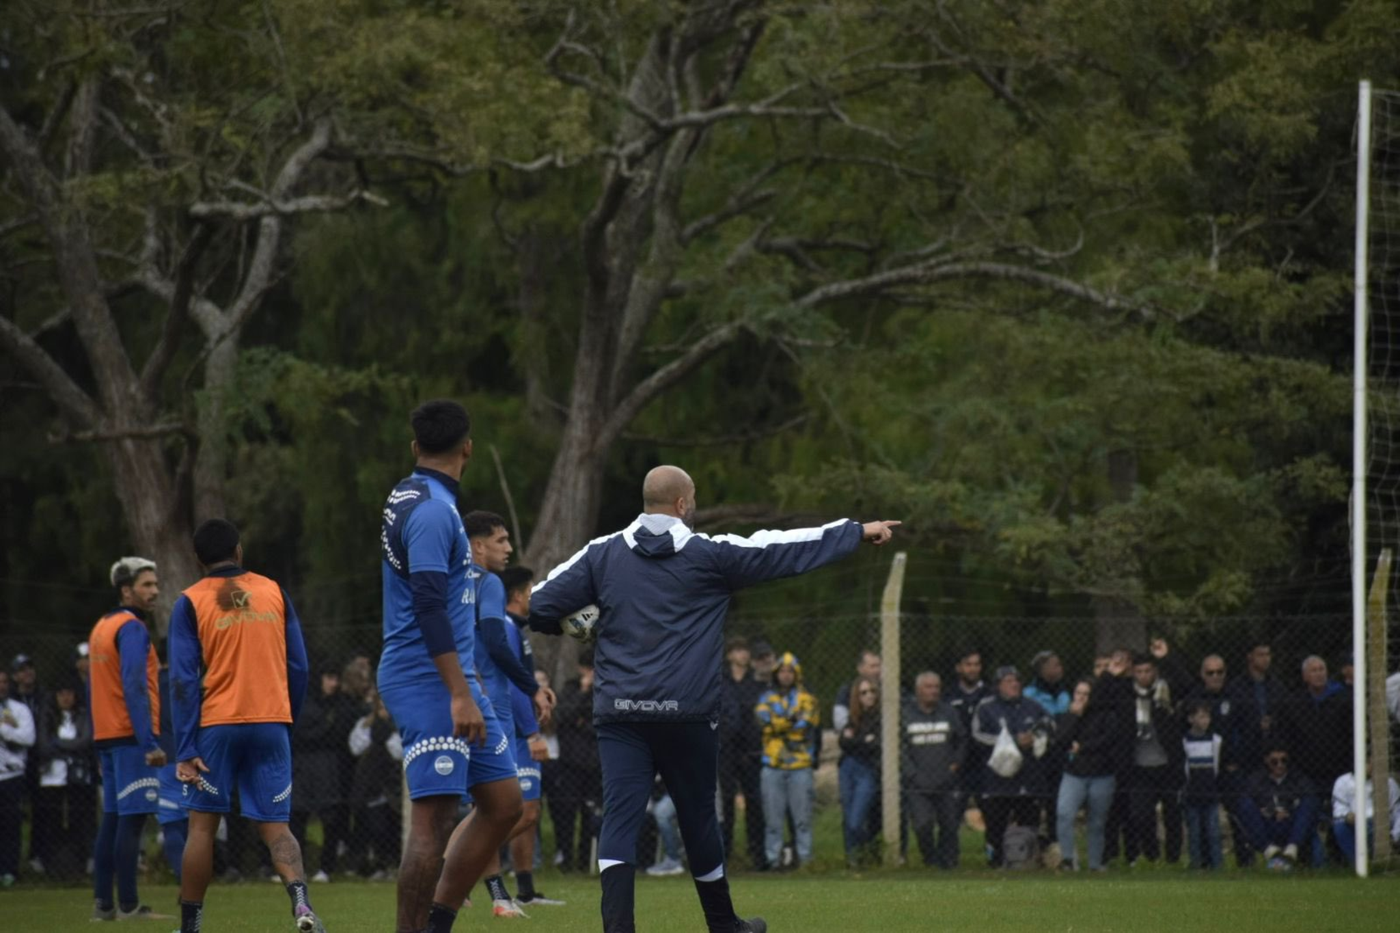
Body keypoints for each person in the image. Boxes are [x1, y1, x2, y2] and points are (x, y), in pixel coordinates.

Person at [528, 463, 899, 933]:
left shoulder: (600, 555)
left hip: (621, 713)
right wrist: (855, 532)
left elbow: (538, 604)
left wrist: (582, 619)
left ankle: (617, 928)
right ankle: (724, 925)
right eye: (694, 498)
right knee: (699, 819)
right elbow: (780, 549)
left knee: (620, 817)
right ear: (683, 504)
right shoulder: (710, 555)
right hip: (687, 713)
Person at [374, 401, 525, 933]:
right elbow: (429, 605)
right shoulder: (435, 512)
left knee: (505, 804)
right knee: (433, 820)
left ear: (416, 447)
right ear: (468, 447)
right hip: (429, 677)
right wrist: (459, 693)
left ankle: (437, 923)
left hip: (452, 674)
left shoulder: (408, 493)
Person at [169, 519, 322, 933]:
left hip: (217, 725)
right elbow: (300, 665)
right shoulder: (274, 591)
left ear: (197, 560)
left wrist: (184, 747)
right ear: (239, 551)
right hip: (271, 721)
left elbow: (183, 679)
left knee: (202, 828)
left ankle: (190, 925)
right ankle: (303, 907)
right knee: (276, 825)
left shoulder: (190, 601)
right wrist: (286, 717)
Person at [461, 510, 553, 918]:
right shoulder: (488, 584)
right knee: (506, 808)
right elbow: (497, 646)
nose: (509, 548)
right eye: (501, 541)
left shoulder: (448, 581)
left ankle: (498, 895)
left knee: (492, 808)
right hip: (489, 707)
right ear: (478, 545)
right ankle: (450, 876)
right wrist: (533, 690)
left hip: (460, 700)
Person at [88, 556, 167, 920]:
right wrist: (148, 741)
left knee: (113, 819)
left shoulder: (102, 626)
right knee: (133, 820)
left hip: (106, 733)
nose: (154, 591)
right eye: (146, 585)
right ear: (126, 590)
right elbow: (134, 685)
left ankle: (104, 904)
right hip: (130, 735)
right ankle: (130, 905)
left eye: (154, 584)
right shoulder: (133, 628)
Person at [500, 564, 564, 908]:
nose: (532, 598)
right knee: (522, 813)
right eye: (530, 592)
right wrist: (531, 733)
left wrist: (539, 692)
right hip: (515, 735)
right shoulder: (507, 629)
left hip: (521, 731)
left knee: (529, 814)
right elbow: (509, 685)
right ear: (517, 595)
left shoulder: (515, 630)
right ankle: (457, 865)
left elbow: (521, 681)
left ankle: (524, 891)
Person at [972, 665, 1054, 867]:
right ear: (998, 685)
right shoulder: (986, 707)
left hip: (1028, 778)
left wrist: (1035, 737)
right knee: (995, 826)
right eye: (1008, 681)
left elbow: (1050, 725)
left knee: (1029, 824)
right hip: (997, 780)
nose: (1014, 684)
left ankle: (1027, 862)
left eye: (1017, 680)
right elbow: (977, 735)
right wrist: (1010, 741)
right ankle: (995, 862)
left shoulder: (1032, 706)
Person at [291, 662, 361, 883]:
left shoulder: (342, 705)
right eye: (329, 678)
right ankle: (294, 868)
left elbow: (340, 734)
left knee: (330, 816)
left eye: (336, 679)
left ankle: (326, 868)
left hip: (329, 767)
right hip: (303, 766)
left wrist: (322, 732)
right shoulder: (305, 703)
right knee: (297, 815)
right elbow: (301, 734)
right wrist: (325, 729)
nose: (334, 684)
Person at [1054, 666, 1128, 873]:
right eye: (1078, 693)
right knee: (1064, 814)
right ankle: (1068, 859)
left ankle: (1095, 864)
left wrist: (1083, 747)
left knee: (1097, 822)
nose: (1081, 698)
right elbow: (1061, 740)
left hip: (1101, 775)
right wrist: (1074, 716)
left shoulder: (1106, 715)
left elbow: (1108, 740)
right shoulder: (1069, 715)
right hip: (1074, 774)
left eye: (1086, 694)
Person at [756, 653, 821, 872]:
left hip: (800, 765)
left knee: (802, 818)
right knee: (772, 820)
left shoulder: (807, 698)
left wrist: (779, 723)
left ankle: (805, 860)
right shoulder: (766, 698)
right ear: (776, 674)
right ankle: (773, 861)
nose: (786, 675)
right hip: (772, 765)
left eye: (790, 671)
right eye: (782, 671)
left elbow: (806, 724)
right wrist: (790, 721)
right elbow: (764, 722)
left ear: (796, 674)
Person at [902, 671, 966, 869]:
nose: (933, 691)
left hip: (945, 779)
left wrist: (955, 764)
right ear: (918, 690)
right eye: (928, 687)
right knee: (922, 825)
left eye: (936, 687)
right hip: (917, 783)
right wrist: (912, 774)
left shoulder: (949, 713)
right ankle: (930, 858)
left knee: (949, 824)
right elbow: (900, 749)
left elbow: (962, 740)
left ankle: (948, 862)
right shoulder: (906, 714)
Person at [1124, 653, 1183, 865]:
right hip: (1140, 767)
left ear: (1155, 671)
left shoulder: (1165, 691)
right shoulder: (1127, 695)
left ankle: (1173, 860)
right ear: (1133, 673)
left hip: (1167, 764)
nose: (1143, 676)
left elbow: (1186, 683)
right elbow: (1102, 695)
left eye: (1147, 671)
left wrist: (1167, 657)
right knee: (1141, 815)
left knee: (1173, 816)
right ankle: (1152, 855)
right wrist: (1113, 673)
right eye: (1138, 672)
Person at [34, 678, 96, 880]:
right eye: (61, 693)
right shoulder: (47, 715)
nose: (66, 697)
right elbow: (43, 745)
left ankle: (81, 863)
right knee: (52, 821)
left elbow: (85, 742)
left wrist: (58, 744)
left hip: (77, 777)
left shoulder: (83, 715)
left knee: (81, 820)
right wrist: (70, 745)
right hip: (52, 778)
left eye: (69, 693)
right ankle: (52, 865)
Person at [550, 652, 601, 874]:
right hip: (570, 762)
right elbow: (562, 717)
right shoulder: (571, 688)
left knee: (590, 814)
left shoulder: (604, 691)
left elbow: (601, 723)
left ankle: (584, 861)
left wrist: (582, 724)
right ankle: (566, 859)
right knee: (566, 813)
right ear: (582, 669)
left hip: (594, 763)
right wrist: (583, 691)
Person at [718, 636, 766, 870]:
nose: (743, 655)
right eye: (738, 650)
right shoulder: (720, 682)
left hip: (750, 750)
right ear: (730, 655)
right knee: (726, 802)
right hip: (725, 749)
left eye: (745, 650)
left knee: (754, 801)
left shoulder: (757, 683)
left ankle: (757, 854)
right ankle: (724, 854)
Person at [347, 690, 404, 879]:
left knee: (393, 825)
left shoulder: (400, 725)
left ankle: (393, 864)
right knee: (373, 825)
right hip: (370, 783)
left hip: (394, 784)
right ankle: (375, 864)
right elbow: (355, 748)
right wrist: (376, 735)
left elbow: (399, 752)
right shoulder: (365, 724)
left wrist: (387, 737)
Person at [1237, 745, 1320, 870]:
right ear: (1266, 760)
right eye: (1274, 762)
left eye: (1284, 761)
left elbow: (1310, 798)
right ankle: (1268, 849)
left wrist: (1288, 811)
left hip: (1292, 823)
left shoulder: (1298, 778)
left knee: (1310, 801)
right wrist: (1271, 811)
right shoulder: (1256, 780)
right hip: (1266, 824)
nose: (1280, 765)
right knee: (1245, 804)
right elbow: (1245, 802)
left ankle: (1292, 848)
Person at [1278, 656, 1353, 791]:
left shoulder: (1343, 700)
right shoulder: (1294, 703)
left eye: (1321, 669)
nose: (1319, 674)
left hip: (1338, 767)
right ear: (1305, 676)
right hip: (1306, 770)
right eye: (1314, 671)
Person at [838, 674, 882, 867]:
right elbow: (843, 742)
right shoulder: (853, 718)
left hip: (868, 769)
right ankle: (853, 859)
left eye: (872, 691)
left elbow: (875, 745)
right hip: (848, 767)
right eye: (863, 692)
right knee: (848, 818)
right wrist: (864, 740)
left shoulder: (882, 719)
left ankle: (868, 850)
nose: (869, 696)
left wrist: (855, 741)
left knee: (856, 820)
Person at [1226, 641, 1286, 776]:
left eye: (1268, 654)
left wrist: (1272, 721)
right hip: (1246, 748)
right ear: (1250, 657)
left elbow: (1284, 714)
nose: (1266, 659)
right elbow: (1231, 722)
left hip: (1272, 747)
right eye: (1260, 655)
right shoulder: (1236, 687)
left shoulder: (1277, 686)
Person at [0, 667, 36, 887]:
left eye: (4, 681)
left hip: (12, 776)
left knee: (11, 825)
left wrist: (4, 730)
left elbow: (28, 737)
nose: (1, 685)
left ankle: (10, 871)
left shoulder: (19, 709)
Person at [1181, 700, 1225, 870]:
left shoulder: (1215, 740)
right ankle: (1196, 864)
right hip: (1192, 792)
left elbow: (1216, 765)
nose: (1204, 721)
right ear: (1191, 719)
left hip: (1210, 792)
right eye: (1200, 717)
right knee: (1195, 832)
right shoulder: (1185, 741)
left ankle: (1217, 864)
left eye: (1207, 716)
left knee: (1213, 831)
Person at [1331, 761, 1400, 865]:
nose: (1372, 766)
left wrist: (1394, 835)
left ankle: (1379, 863)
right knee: (1340, 827)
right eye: (1368, 763)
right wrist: (1347, 815)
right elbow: (1339, 808)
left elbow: (1397, 811)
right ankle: (1356, 864)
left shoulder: (1389, 783)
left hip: (1380, 825)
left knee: (1372, 825)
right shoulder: (1343, 782)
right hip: (1354, 823)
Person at [832, 651, 882, 732]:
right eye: (872, 666)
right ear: (860, 669)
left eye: (879, 666)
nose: (877, 670)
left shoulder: (889, 688)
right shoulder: (847, 690)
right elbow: (840, 722)